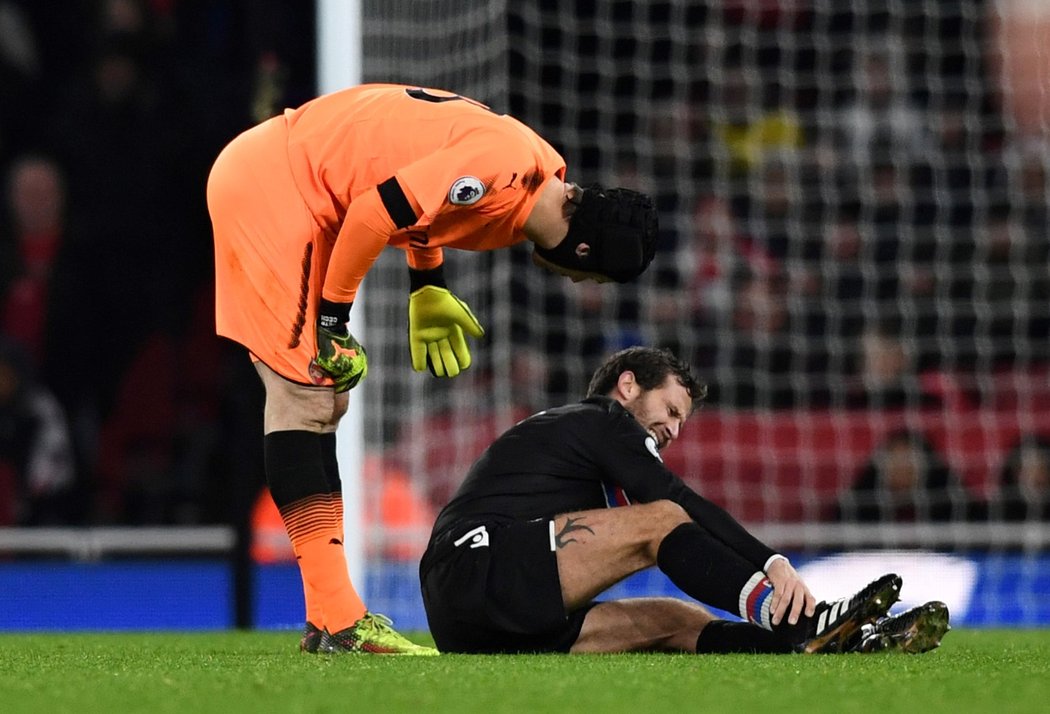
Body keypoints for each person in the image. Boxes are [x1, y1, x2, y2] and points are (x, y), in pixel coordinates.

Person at [206, 83, 659, 655]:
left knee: (326, 399)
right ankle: (339, 621)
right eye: (591, 277)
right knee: (304, 398)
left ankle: (330, 621)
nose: (578, 285)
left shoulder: (536, 170)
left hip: (300, 184)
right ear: (586, 251)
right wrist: (333, 321)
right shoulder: (503, 171)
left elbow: (420, 191)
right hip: (279, 184)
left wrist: (427, 281)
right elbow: (375, 211)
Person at [419, 346, 950, 655]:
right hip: (474, 564)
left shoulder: (574, 444)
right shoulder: (599, 417)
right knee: (662, 518)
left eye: (680, 422)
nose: (673, 429)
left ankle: (825, 645)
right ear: (627, 386)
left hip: (469, 622)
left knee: (674, 618)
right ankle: (801, 623)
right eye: (670, 409)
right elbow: (672, 500)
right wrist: (771, 561)